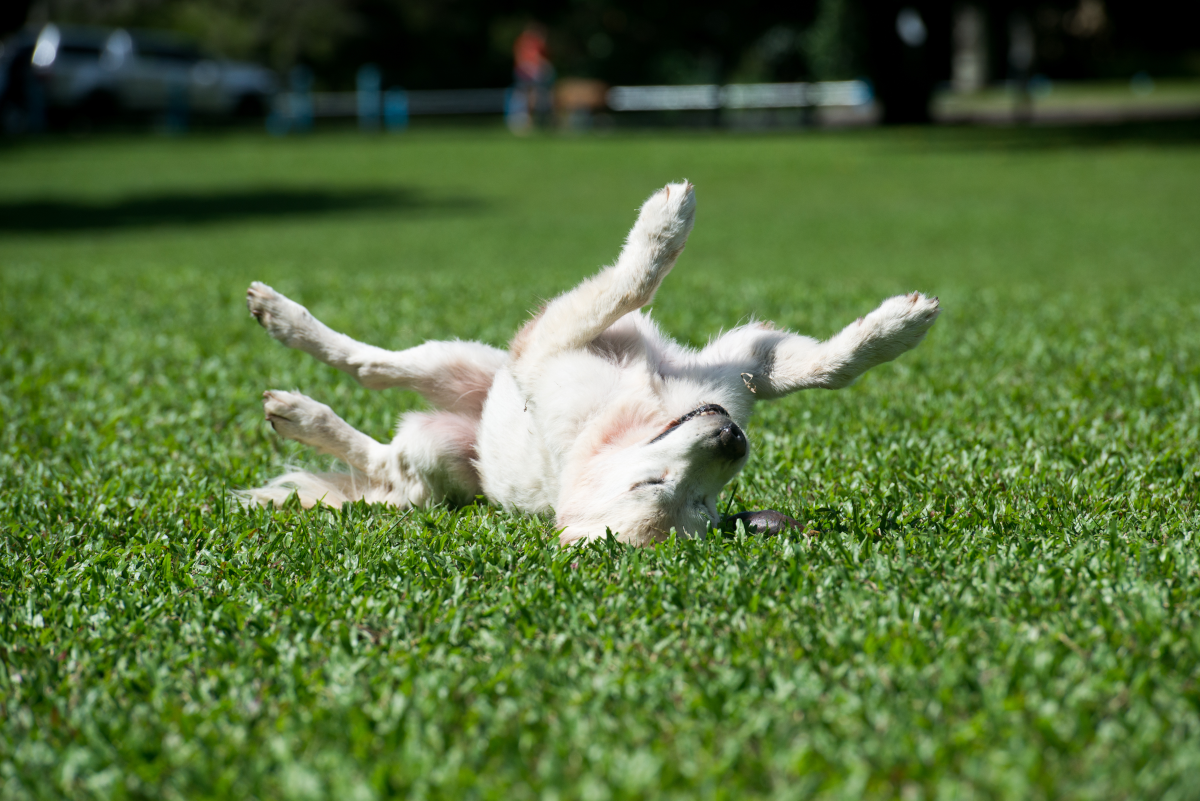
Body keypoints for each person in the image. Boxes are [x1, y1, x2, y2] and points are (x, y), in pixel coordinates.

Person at [511, 22, 553, 131]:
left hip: (535, 73)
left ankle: (535, 119)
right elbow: (521, 59)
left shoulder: (537, 43)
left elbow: (541, 60)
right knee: (526, 96)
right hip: (526, 73)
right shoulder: (524, 42)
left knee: (537, 96)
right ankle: (525, 119)